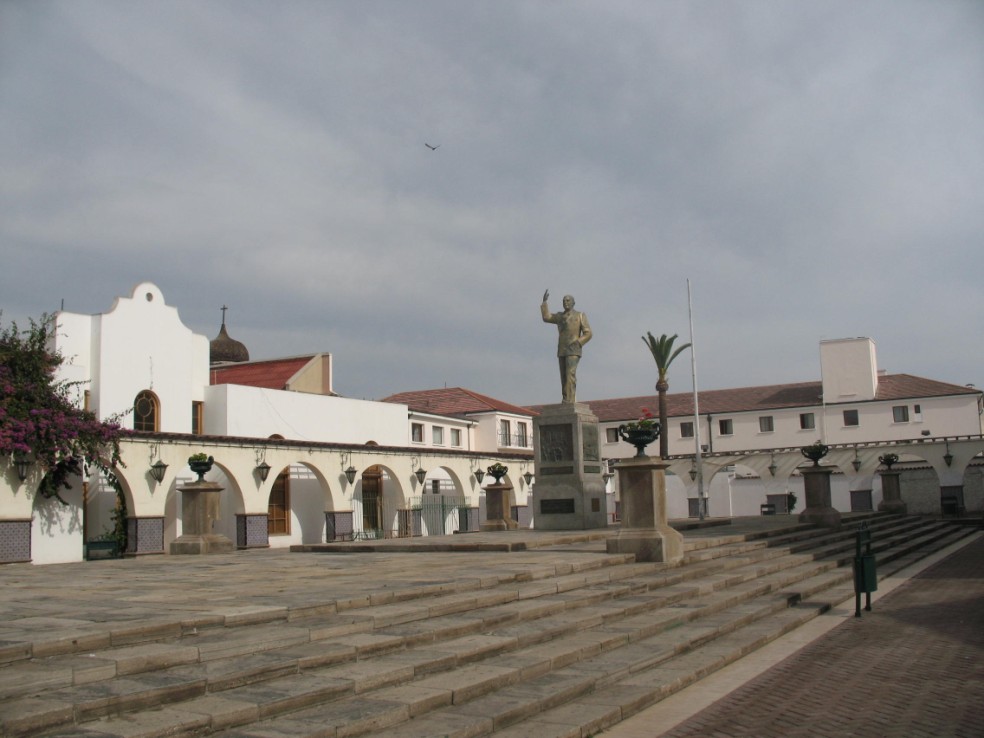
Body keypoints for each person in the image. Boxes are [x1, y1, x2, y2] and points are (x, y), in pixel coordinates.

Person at [540, 289, 592, 403]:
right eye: (564, 301)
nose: (566, 302)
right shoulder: (560, 316)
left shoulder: (580, 315)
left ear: (573, 302)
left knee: (570, 374)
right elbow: (547, 317)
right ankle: (565, 399)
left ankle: (570, 399)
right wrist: (544, 303)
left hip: (574, 349)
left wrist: (578, 342)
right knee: (563, 376)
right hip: (562, 349)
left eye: (568, 300)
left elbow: (588, 333)